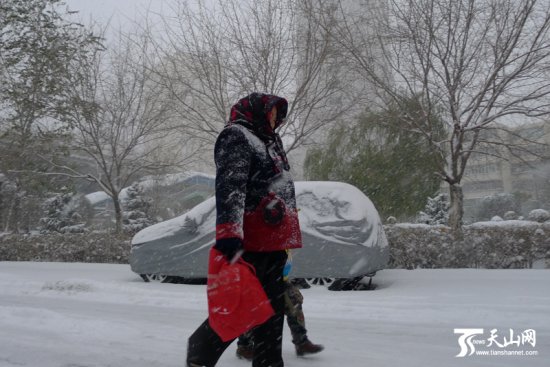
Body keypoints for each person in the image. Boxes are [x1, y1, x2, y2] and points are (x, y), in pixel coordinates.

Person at [186, 93, 303, 367]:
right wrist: (229, 233)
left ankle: (269, 363)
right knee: (239, 309)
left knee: (271, 314)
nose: (276, 118)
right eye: (272, 112)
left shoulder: (270, 141)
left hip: (273, 243)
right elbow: (231, 187)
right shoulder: (236, 136)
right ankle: (199, 355)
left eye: (278, 113)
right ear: (258, 111)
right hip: (249, 244)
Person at [236, 279, 325, 360]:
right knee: (251, 308)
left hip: (280, 277)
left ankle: (301, 342)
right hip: (256, 277)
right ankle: (244, 345)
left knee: (294, 301)